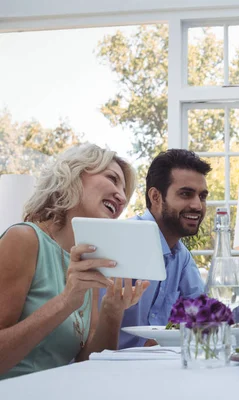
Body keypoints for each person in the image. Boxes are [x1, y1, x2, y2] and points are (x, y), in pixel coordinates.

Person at [0, 144, 149, 379]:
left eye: (124, 191)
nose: (121, 197)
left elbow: (88, 364)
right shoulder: (23, 239)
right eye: (112, 179)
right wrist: (66, 301)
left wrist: (112, 311)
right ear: (74, 175)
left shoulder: (84, 261)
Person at [115, 149, 212, 348]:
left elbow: (202, 315)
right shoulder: (122, 240)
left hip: (157, 368)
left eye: (202, 196)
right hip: (109, 368)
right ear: (156, 197)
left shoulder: (181, 255)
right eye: (186, 194)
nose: (197, 205)